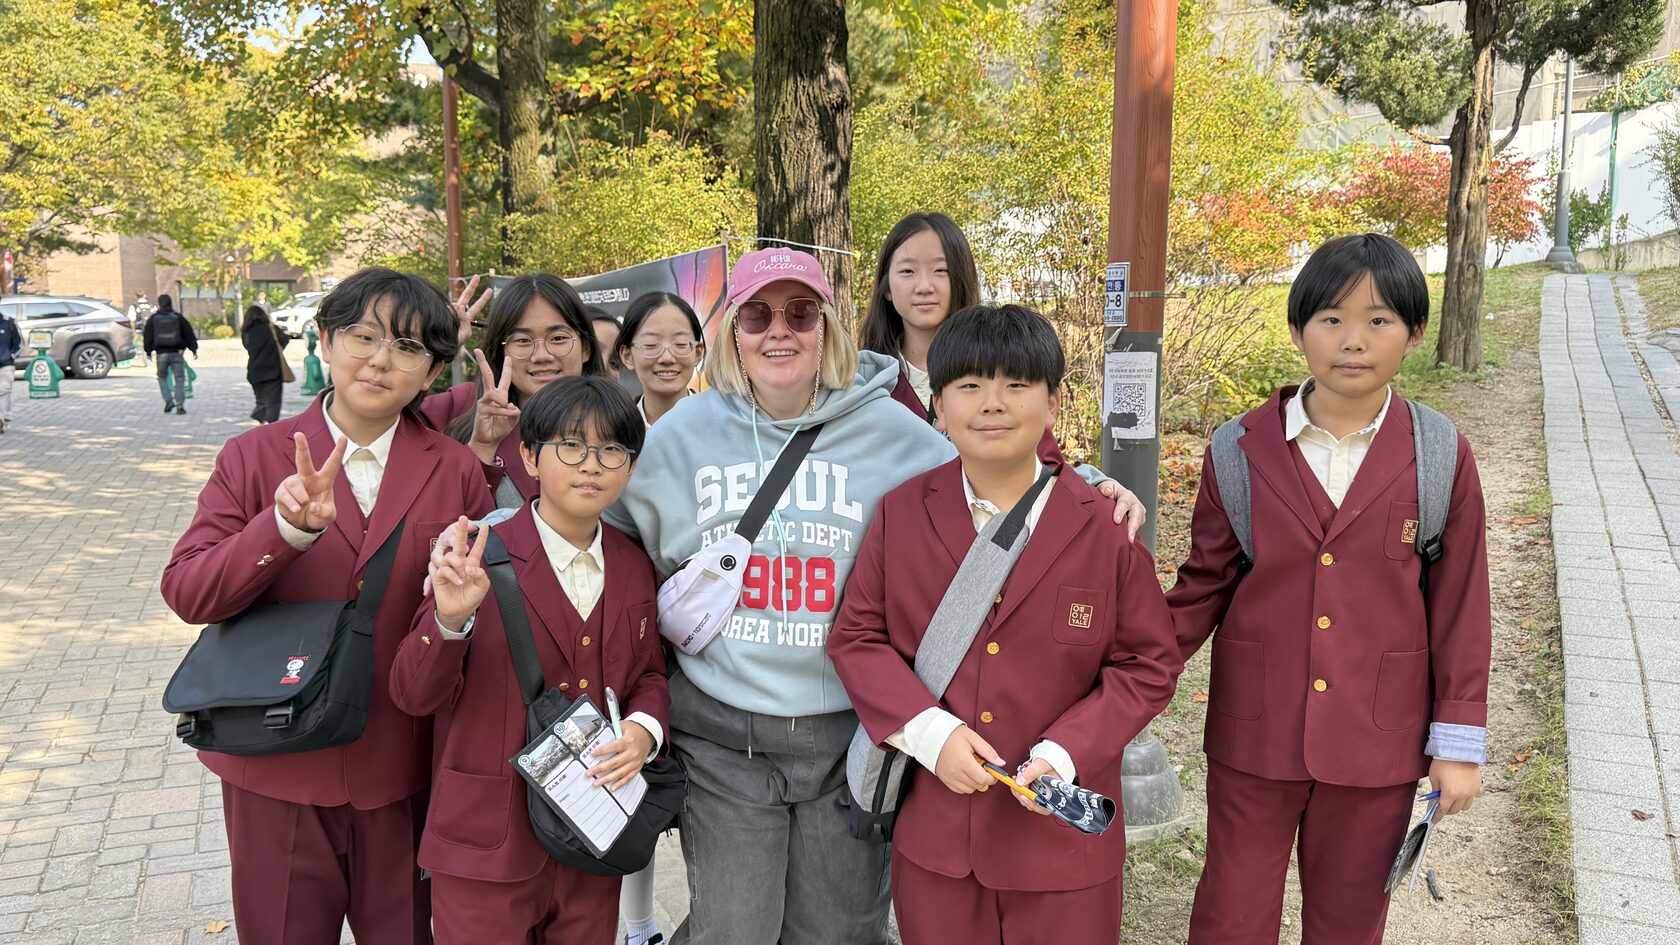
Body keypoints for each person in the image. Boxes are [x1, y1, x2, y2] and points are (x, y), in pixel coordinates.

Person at [598, 248, 1144, 945]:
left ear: (828, 326)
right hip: (726, 736)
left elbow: (997, 456)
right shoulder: (679, 435)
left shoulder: (898, 433)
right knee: (735, 927)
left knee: (838, 933)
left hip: (850, 737)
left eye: (800, 314)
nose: (779, 332)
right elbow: (599, 527)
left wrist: (1090, 479)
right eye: (758, 315)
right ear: (732, 330)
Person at [1166, 233, 1491, 945]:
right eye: (1331, 319)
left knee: (1350, 922)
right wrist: (1116, 679)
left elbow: (1462, 606)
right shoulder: (1239, 448)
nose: (1354, 339)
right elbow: (1199, 590)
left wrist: (1458, 744)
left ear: (1414, 333)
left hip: (1379, 741)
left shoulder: (1439, 454)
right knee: (1231, 912)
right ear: (1296, 329)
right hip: (1255, 733)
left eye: (1378, 320)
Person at [828, 303, 1183, 945]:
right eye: (969, 386)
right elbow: (856, 638)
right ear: (936, 406)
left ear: (1053, 402)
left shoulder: (1103, 527)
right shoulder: (903, 513)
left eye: (1016, 385)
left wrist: (1063, 752)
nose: (992, 403)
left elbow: (1149, 666)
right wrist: (929, 734)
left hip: (1062, 850)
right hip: (937, 841)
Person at [160, 268, 495, 945]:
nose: (379, 359)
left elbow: (477, 612)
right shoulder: (253, 458)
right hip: (274, 765)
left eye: (406, 347)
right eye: (363, 336)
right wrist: (282, 530)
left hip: (402, 768)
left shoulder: (454, 469)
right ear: (324, 339)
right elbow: (188, 591)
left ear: (431, 370)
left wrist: (455, 616)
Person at [392, 376, 669, 945]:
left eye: (611, 449)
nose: (590, 465)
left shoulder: (634, 562)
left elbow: (647, 673)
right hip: (486, 841)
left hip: (594, 829)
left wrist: (644, 730)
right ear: (529, 456)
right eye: (570, 446)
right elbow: (412, 695)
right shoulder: (474, 560)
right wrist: (449, 622)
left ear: (630, 467)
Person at [859, 212, 1061, 463]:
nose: (924, 286)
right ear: (886, 287)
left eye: (940, 270)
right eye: (908, 271)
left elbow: (1044, 462)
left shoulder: (1001, 362)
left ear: (961, 278)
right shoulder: (864, 380)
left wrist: (1095, 485)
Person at [422, 274, 605, 508]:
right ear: (502, 351)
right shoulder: (461, 406)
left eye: (558, 338)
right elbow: (383, 415)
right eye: (522, 341)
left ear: (586, 349)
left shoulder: (614, 423)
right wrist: (436, 345)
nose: (542, 356)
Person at [617, 291, 705, 427]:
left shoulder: (723, 427)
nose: (667, 358)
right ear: (627, 356)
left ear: (698, 353)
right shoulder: (614, 433)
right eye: (651, 345)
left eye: (680, 344)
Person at [143, 294, 197, 414]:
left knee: (162, 377)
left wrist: (148, 351)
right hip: (177, 353)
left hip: (161, 354)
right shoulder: (178, 317)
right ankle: (179, 405)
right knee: (179, 378)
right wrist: (194, 349)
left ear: (159, 303)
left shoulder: (153, 319)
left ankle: (168, 401)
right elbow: (188, 333)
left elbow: (147, 336)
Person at [242, 304, 290, 424]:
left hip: (254, 371)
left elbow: (248, 347)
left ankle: (260, 416)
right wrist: (277, 349)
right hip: (273, 371)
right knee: (273, 403)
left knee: (261, 400)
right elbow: (285, 339)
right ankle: (271, 427)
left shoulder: (247, 333)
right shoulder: (272, 328)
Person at [0, 304, 20, 433]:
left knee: (4, 391)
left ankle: (3, 418)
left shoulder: (9, 323)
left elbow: (18, 344)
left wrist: (10, 355)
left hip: (6, 363)